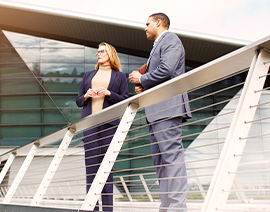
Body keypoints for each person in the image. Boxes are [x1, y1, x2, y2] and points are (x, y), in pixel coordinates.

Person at [129, 13, 192, 212]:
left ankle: (177, 206)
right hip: (156, 110)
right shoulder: (157, 46)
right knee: (161, 161)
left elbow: (167, 69)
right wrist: (144, 86)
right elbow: (162, 74)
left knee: (171, 157)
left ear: (158, 22)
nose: (145, 27)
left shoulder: (170, 39)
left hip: (168, 107)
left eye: (147, 23)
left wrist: (142, 79)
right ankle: (166, 205)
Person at [76, 42, 129, 211]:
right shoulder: (88, 75)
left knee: (107, 167)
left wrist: (109, 93)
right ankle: (92, 208)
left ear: (110, 54)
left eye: (102, 51)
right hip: (90, 124)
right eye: (97, 51)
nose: (98, 54)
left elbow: (125, 100)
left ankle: (107, 209)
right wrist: (86, 96)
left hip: (109, 124)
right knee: (91, 166)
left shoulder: (120, 76)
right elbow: (78, 101)